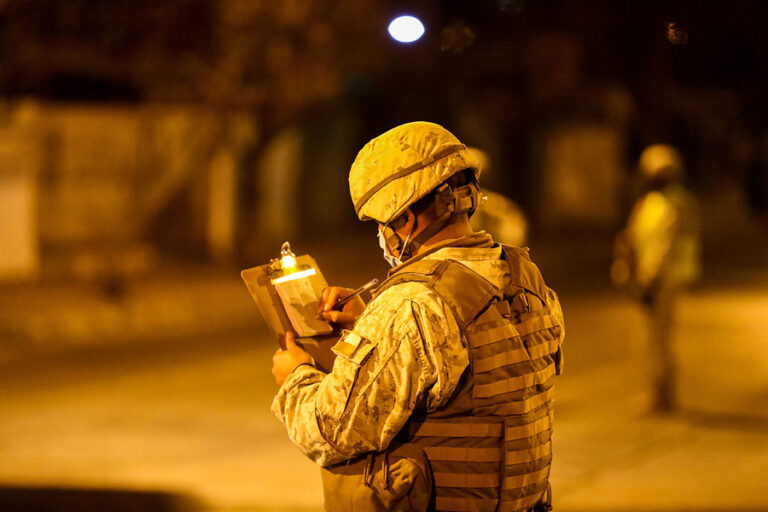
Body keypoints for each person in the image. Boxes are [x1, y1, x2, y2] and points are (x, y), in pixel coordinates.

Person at [271, 121, 565, 511]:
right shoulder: (526, 278)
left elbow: (331, 431)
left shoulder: (411, 304)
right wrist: (368, 324)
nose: (382, 236)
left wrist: (295, 377)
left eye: (381, 224)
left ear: (406, 219)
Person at [611, 144, 700, 413]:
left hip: (665, 279)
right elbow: (632, 239)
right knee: (654, 338)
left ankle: (663, 395)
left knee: (660, 338)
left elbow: (664, 246)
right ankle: (659, 392)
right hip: (653, 279)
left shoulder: (674, 203)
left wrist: (648, 279)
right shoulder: (652, 202)